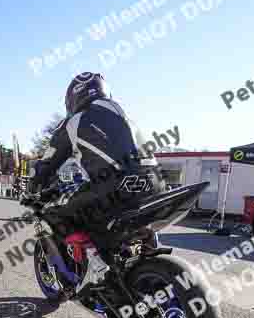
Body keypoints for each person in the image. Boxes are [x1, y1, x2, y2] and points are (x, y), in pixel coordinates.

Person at [25, 72, 163, 289]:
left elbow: (47, 163)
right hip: (154, 182)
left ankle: (95, 273)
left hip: (113, 186)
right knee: (128, 219)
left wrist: (32, 188)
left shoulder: (74, 121)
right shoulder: (124, 116)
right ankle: (150, 249)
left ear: (73, 97)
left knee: (59, 217)